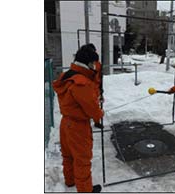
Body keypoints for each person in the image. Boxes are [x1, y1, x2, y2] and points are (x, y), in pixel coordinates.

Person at [52, 45, 104, 192]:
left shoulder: (67, 75)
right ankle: (85, 190)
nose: (94, 66)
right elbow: (92, 109)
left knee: (68, 156)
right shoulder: (81, 83)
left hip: (66, 123)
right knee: (82, 160)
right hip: (78, 127)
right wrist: (100, 113)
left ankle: (70, 180)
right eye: (93, 63)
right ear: (88, 63)